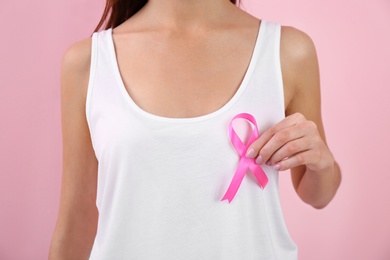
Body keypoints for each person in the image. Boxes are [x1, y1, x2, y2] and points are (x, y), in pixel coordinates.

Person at [49, 0, 342, 259]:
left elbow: (318, 194)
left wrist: (322, 162)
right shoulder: (87, 63)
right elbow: (77, 219)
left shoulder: (288, 51)